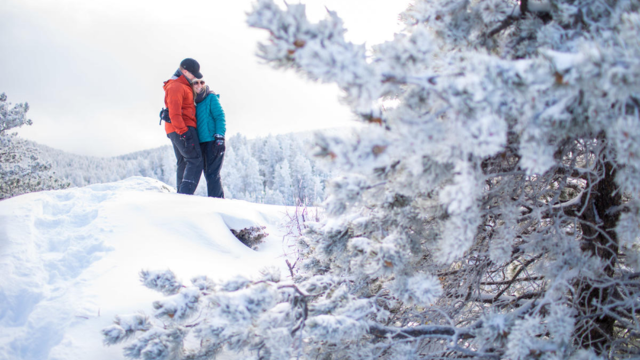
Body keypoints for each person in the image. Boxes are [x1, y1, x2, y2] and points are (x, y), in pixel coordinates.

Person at [163, 58, 204, 194]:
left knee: (184, 162)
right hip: (183, 128)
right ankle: (185, 196)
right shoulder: (176, 86)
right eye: (193, 74)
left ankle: (181, 194)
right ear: (185, 71)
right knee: (195, 160)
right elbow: (175, 113)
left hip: (177, 129)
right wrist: (184, 133)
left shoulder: (182, 85)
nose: (195, 78)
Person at [193, 78, 226, 198]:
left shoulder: (211, 98)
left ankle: (218, 202)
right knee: (206, 174)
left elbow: (220, 117)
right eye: (196, 82)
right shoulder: (193, 103)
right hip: (201, 143)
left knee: (212, 174)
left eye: (202, 82)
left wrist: (220, 137)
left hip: (213, 141)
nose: (199, 85)